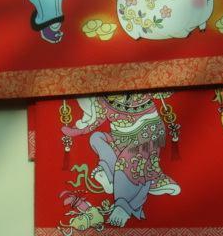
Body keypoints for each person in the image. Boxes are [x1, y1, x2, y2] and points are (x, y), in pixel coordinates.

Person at [61, 94, 181, 228]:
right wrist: (74, 131)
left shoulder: (139, 93)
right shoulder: (104, 101)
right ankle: (112, 179)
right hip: (120, 139)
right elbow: (95, 120)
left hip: (147, 135)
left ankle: (122, 207)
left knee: (131, 162)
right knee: (97, 138)